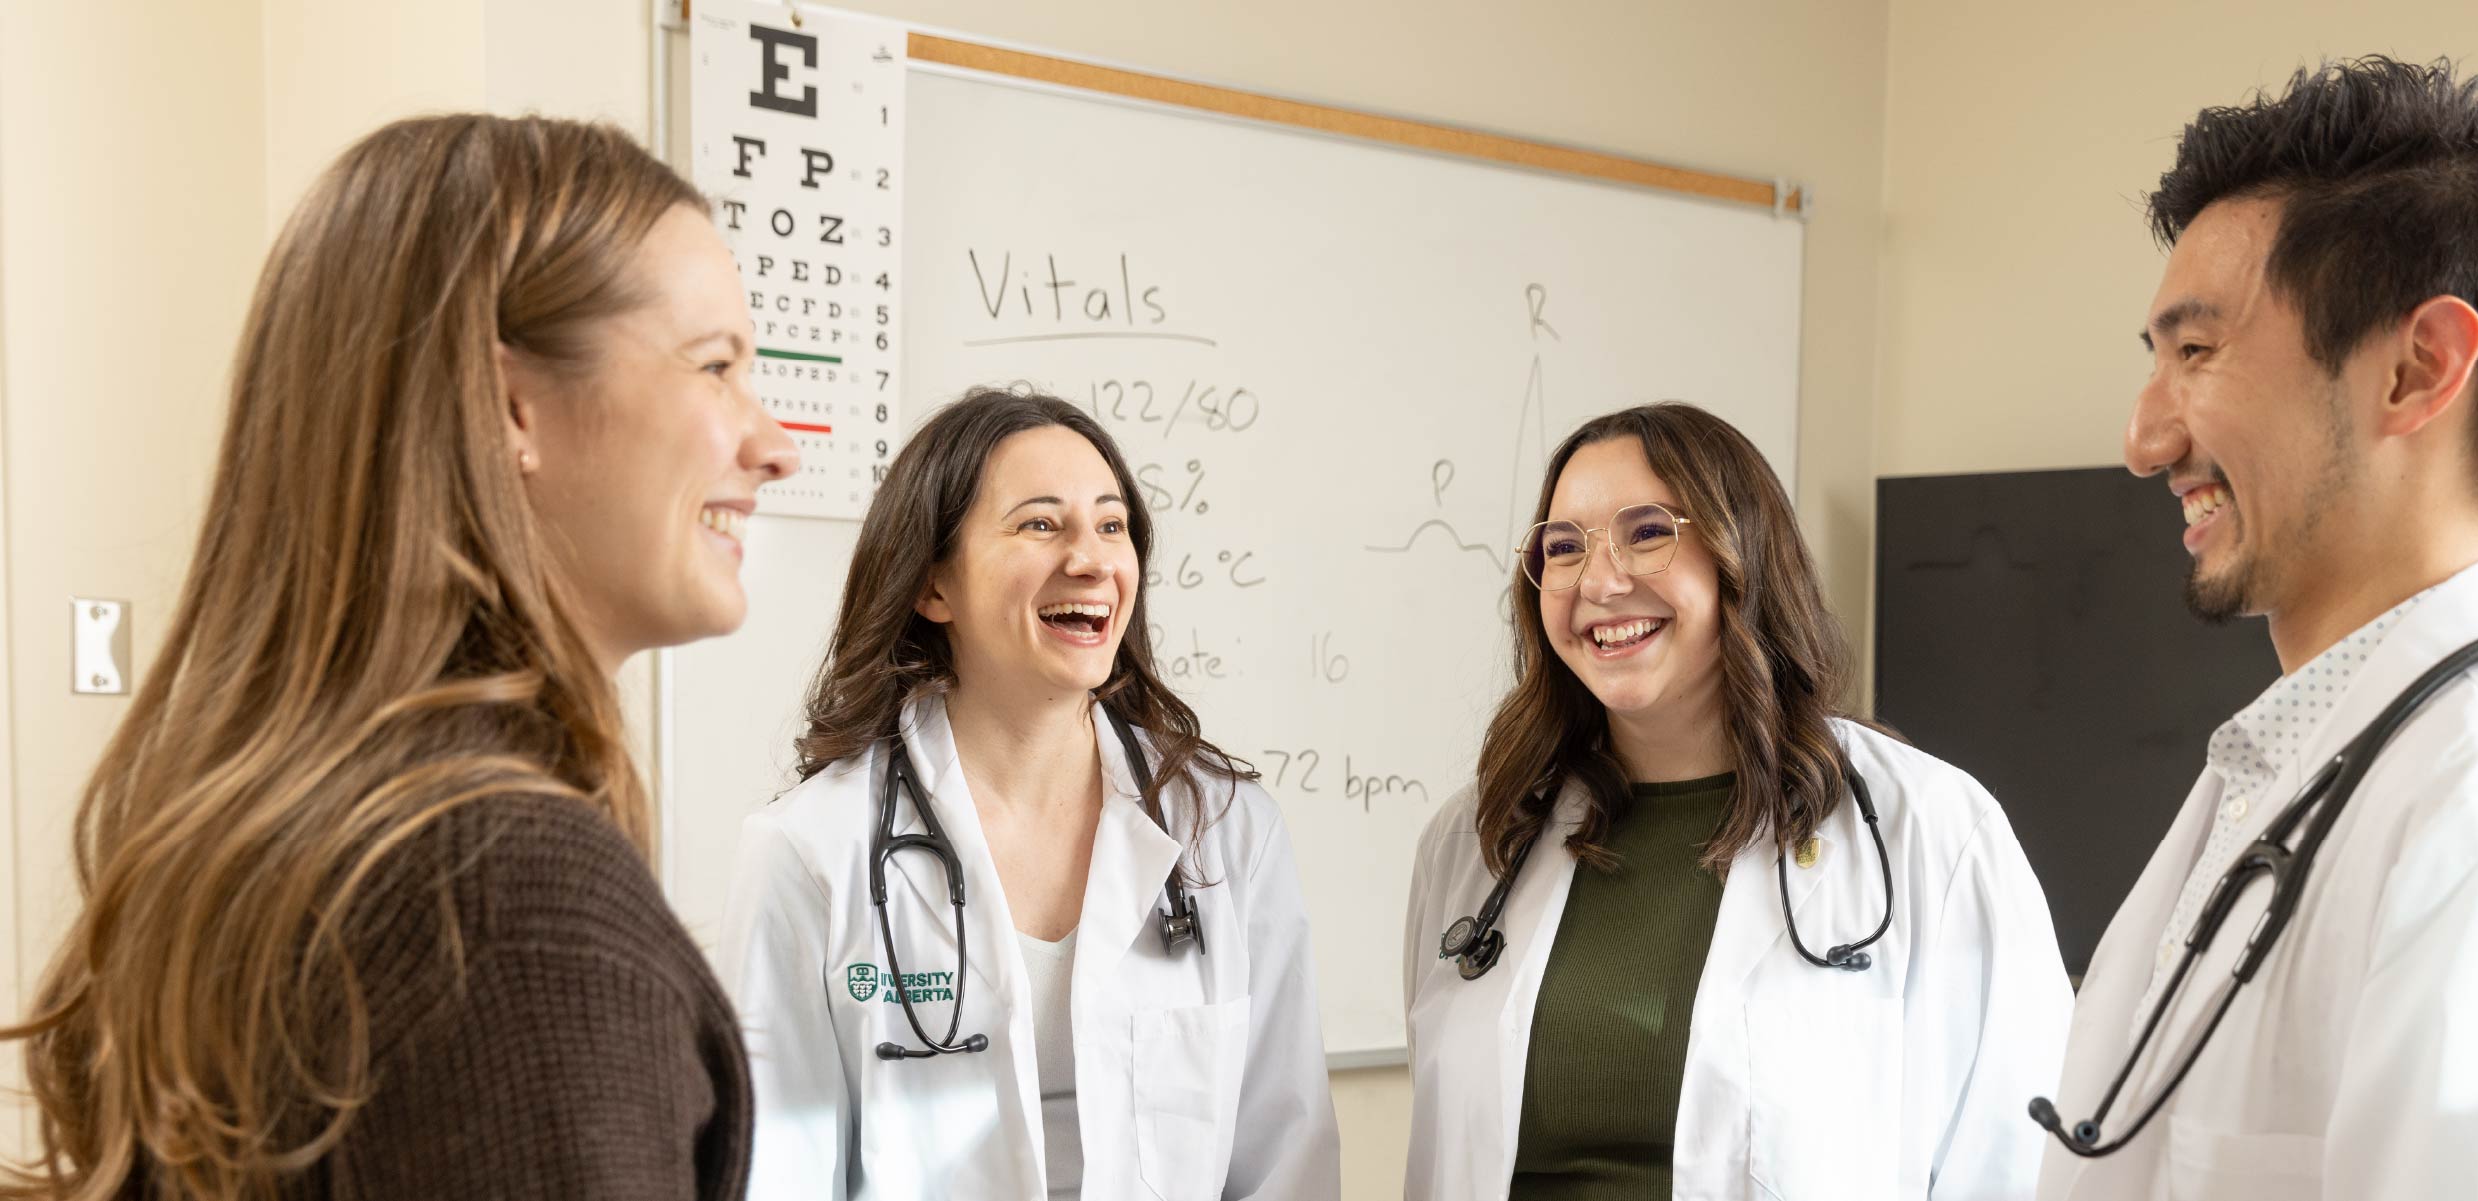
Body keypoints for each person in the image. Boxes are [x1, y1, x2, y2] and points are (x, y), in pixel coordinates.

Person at [2, 114, 800, 1199]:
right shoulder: (509, 909)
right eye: (716, 366)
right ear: (511, 404)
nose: (776, 446)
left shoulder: (290, 840)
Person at [2035, 58, 2478, 1200]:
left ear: (2416, 369)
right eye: (2152, 361)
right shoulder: (2318, 763)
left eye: (2196, 352)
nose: (2143, 439)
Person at [1403, 402, 2070, 1200]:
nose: (1600, 580)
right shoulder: (1479, 839)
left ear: (1739, 552)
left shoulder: (1930, 831)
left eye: (1646, 531)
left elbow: (2015, 1163)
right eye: (1564, 546)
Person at [718, 388, 1339, 1200]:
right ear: (933, 585)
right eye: (1041, 524)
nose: (1091, 559)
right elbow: (777, 1178)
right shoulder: (811, 850)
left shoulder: (1223, 828)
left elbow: (1285, 1158)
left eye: (1111, 526)